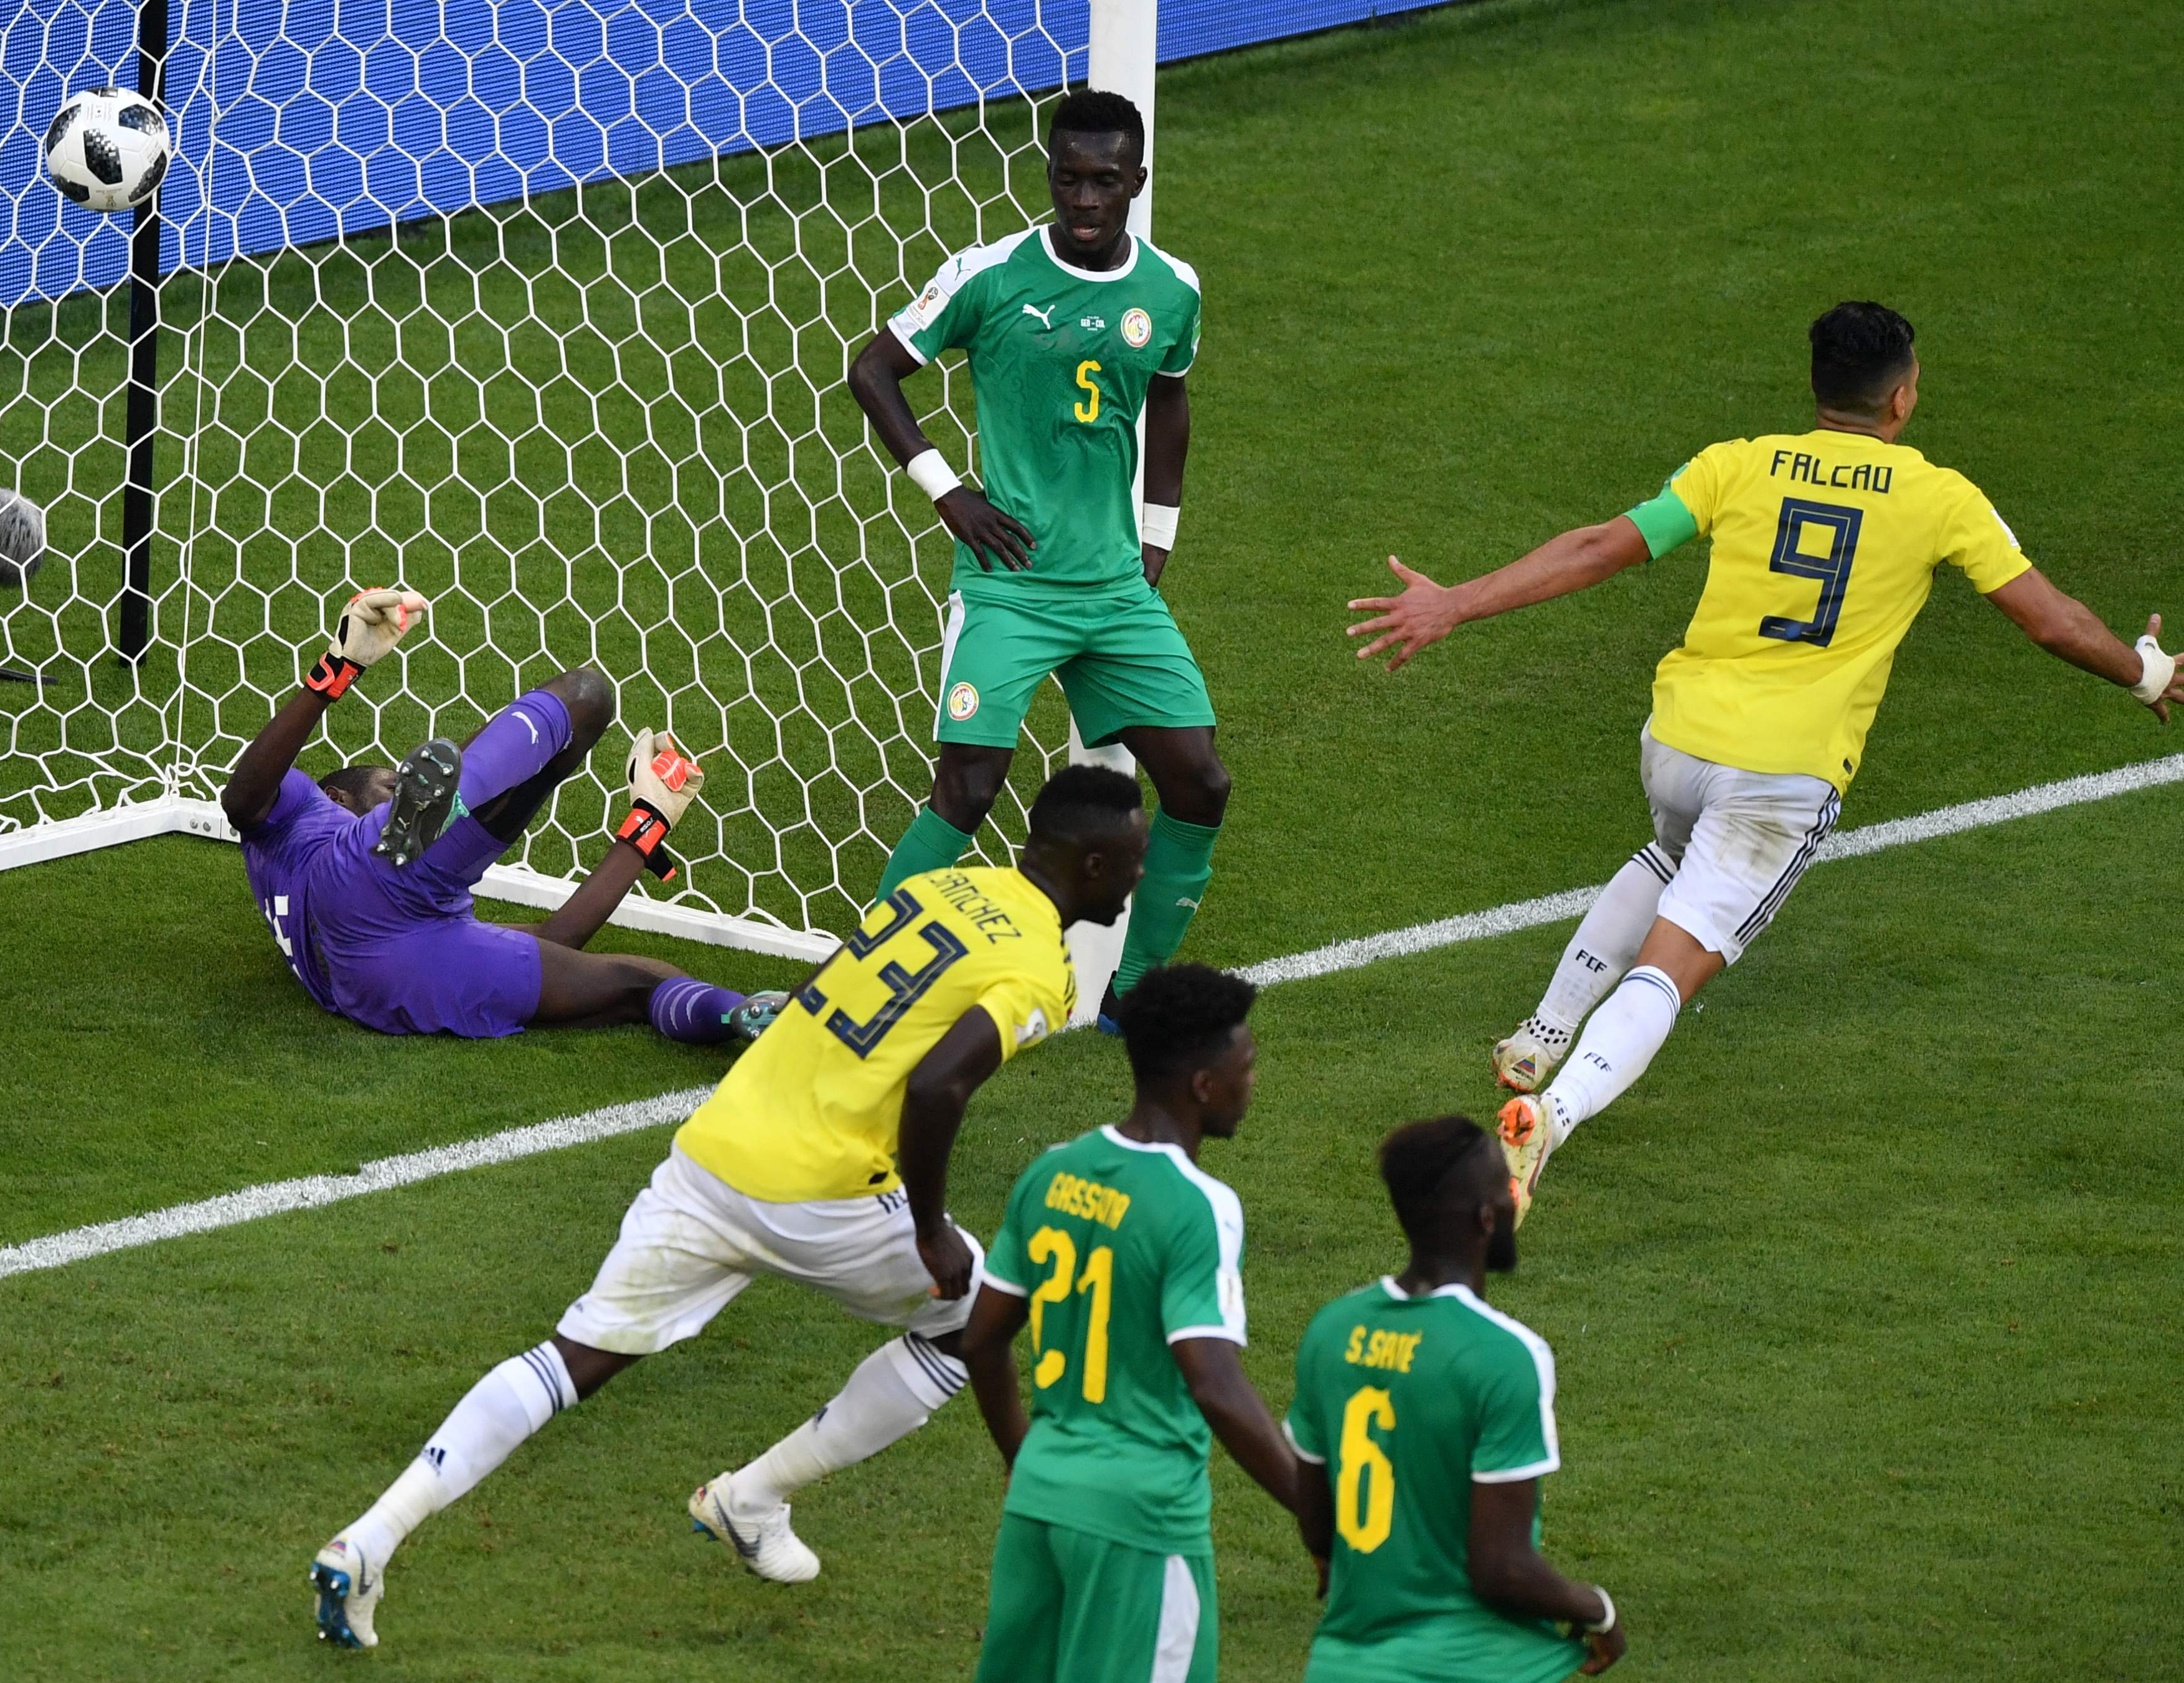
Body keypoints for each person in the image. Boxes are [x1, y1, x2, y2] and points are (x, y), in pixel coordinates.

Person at [1345, 301, 2182, 1220]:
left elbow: (1598, 548)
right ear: (1901, 398)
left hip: (1677, 742)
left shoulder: (1735, 464)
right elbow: (2048, 620)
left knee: (1668, 855)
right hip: (1780, 778)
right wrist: (2144, 674)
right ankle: (1551, 1114)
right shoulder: (1940, 496)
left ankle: (1539, 1036)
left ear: (1816, 388)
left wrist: (1456, 602)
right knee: (1676, 962)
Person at [307, 764, 1150, 1649]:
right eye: (1132, 860)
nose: (1138, 876)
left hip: (715, 1148)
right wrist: (932, 1229)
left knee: (568, 1361)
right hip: (821, 1190)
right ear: (1091, 866)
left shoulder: (947, 883)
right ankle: (754, 1496)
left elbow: (830, 984)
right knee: (970, 1318)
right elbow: (940, 1086)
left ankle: (370, 1540)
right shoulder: (1039, 966)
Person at [849, 87, 1227, 1031]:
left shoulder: (1170, 288)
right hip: (1009, 588)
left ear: (1137, 180)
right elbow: (871, 368)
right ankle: (859, 980)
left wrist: (1157, 536)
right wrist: (949, 491)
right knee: (969, 788)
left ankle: (1131, 992)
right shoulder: (990, 275)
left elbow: (1170, 400)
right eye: (1069, 179)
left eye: (1105, 181)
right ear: (1049, 175)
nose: (1085, 199)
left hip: (1113, 588)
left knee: (1199, 782)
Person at [220, 586, 782, 1044]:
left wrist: (648, 819)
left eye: (403, 787)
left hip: (386, 977)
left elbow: (558, 937)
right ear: (338, 796)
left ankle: (740, 1015)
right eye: (389, 784)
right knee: (586, 695)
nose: (396, 782)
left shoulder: (278, 849)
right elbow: (240, 798)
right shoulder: (308, 814)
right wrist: (336, 668)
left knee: (639, 984)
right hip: (358, 878)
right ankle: (452, 800)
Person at [963, 962, 1298, 1683]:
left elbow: (982, 1338)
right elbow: (1213, 1383)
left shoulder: (1053, 1170)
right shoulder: (1198, 1204)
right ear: (1204, 1084)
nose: (1253, 1083)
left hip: (1041, 1500)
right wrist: (1313, 1507)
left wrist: (1025, 1456)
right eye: (1247, 1066)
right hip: (1142, 1519)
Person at [1287, 1115, 1624, 1681]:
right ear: (1486, 1218)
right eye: (1506, 1187)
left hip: (1342, 1664)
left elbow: (1318, 1527)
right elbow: (1502, 1569)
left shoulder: (1333, 1331)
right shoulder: (1504, 1356)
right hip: (1466, 1666)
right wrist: (1598, 1610)